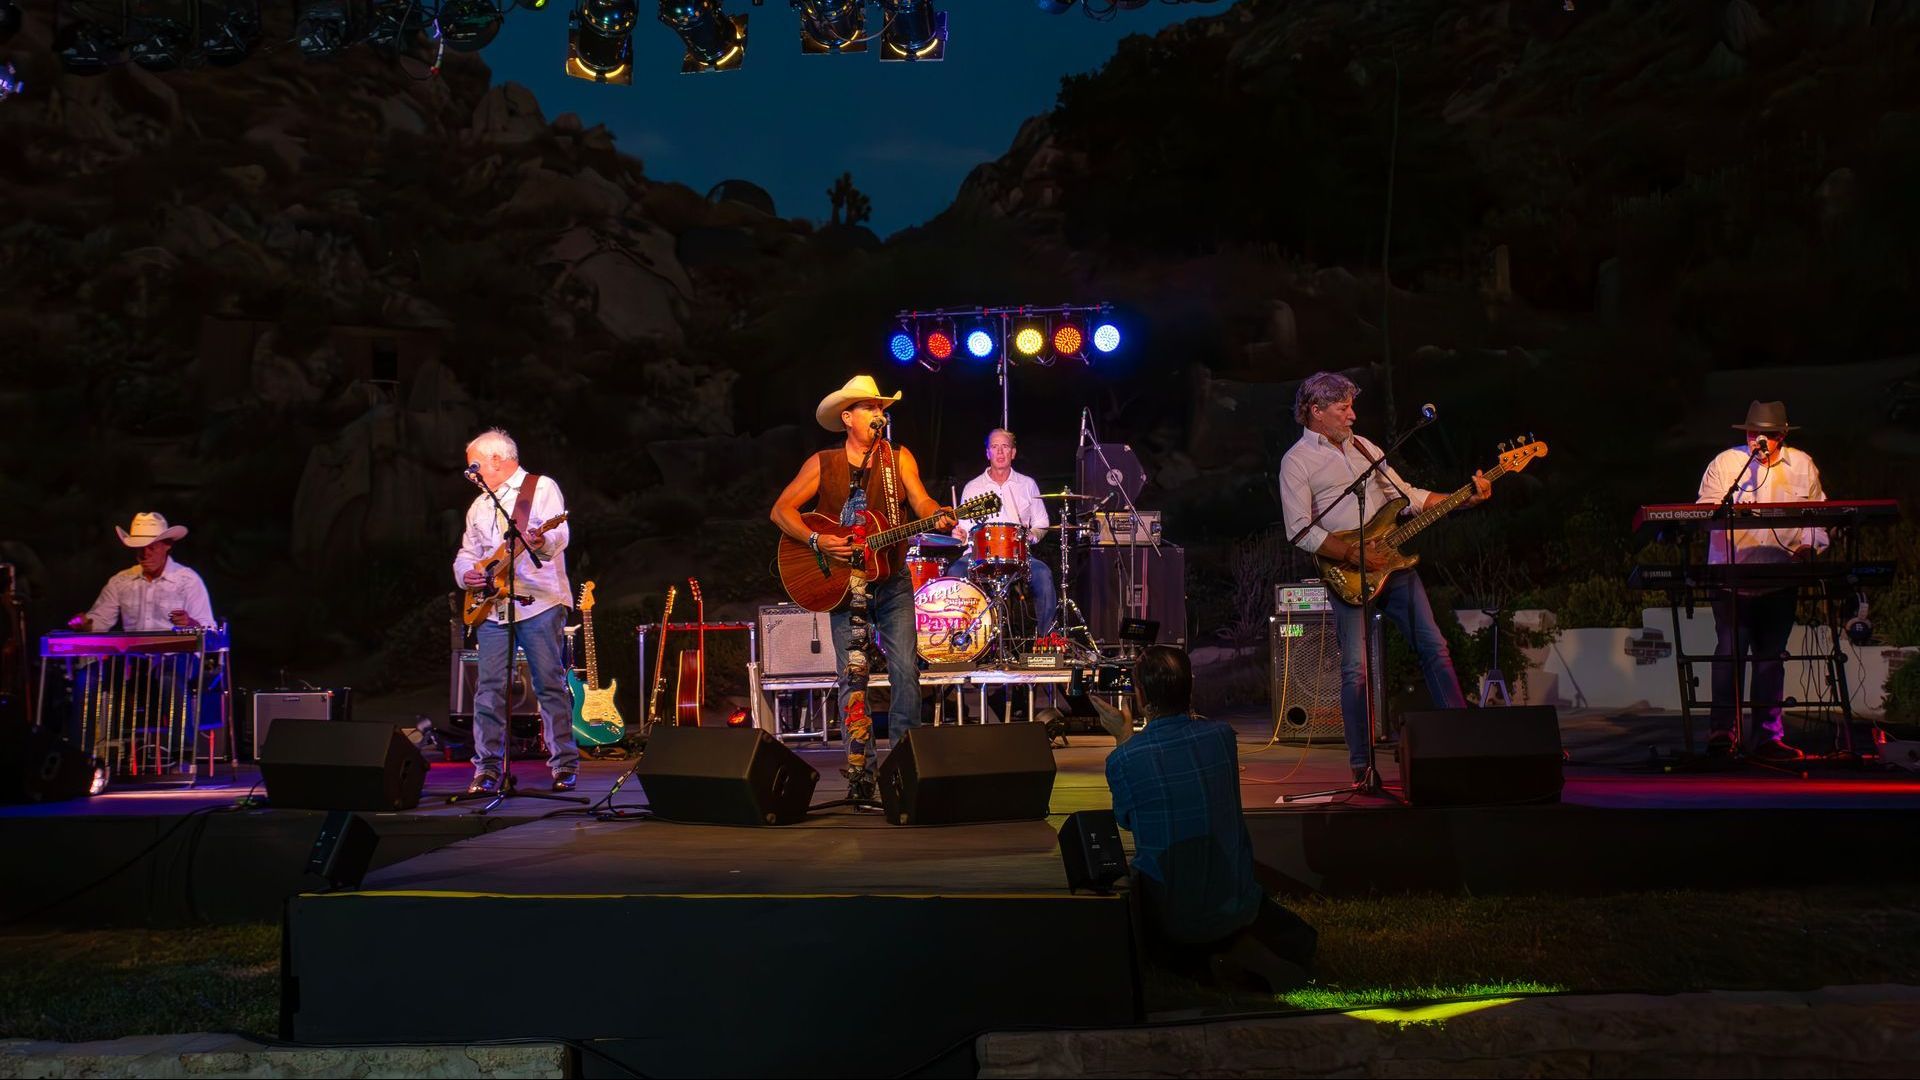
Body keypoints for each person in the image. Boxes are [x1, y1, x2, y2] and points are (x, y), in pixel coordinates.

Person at [1277, 371, 1490, 785]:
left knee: (1435, 648)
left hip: (1393, 564)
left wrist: (1464, 498)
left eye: (1352, 406)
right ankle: (1362, 765)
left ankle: (1465, 742)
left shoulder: (1365, 447)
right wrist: (1353, 553)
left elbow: (1406, 497)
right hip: (1347, 573)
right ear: (1316, 412)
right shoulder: (1296, 461)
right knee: (1355, 670)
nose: (1353, 416)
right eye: (1343, 408)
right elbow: (1300, 530)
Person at [1094, 645, 1317, 990]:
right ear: (1189, 688)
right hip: (1236, 898)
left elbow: (1126, 819)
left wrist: (1123, 739)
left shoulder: (1124, 759)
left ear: (1140, 695)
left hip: (1172, 914)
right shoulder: (1222, 738)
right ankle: (1237, 951)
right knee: (1295, 936)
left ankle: (1204, 959)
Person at [771, 375, 954, 791]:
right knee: (850, 678)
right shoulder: (824, 463)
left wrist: (936, 511)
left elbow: (920, 500)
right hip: (842, 585)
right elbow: (781, 510)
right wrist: (818, 539)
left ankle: (907, 764)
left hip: (892, 582)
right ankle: (862, 771)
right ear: (848, 417)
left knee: (905, 669)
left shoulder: (899, 457)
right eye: (869, 407)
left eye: (880, 407)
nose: (878, 414)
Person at [1695, 401, 1826, 761]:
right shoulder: (1726, 464)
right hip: (1730, 578)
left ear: (1781, 436)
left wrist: (1810, 548)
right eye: (1753, 433)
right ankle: (1723, 733)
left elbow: (1819, 518)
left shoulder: (1802, 465)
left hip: (1779, 578)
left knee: (1770, 659)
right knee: (1729, 655)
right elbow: (1705, 513)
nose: (1758, 439)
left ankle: (1768, 737)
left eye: (1766, 434)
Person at [453, 428, 580, 794]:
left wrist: (542, 540)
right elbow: (467, 552)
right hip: (493, 607)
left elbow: (560, 535)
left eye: (475, 465)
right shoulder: (479, 506)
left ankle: (564, 766)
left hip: (538, 601)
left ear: (497, 459)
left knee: (549, 685)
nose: (472, 473)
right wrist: (468, 574)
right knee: (488, 690)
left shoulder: (540, 489)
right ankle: (488, 769)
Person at [954, 428, 1057, 636]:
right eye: (994, 447)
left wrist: (1033, 534)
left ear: (1013, 452)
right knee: (954, 574)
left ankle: (1045, 643)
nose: (1000, 452)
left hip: (1019, 557)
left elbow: (1042, 521)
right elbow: (964, 529)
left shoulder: (1027, 485)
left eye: (1005, 447)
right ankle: (962, 643)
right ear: (987, 453)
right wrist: (961, 535)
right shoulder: (972, 487)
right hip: (978, 557)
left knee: (1044, 575)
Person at [71, 512, 216, 633]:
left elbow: (209, 630)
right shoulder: (120, 581)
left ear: (168, 545)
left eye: (152, 547)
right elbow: (100, 620)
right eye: (140, 547)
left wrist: (190, 623)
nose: (145, 554)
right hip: (134, 661)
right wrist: (85, 624)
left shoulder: (188, 581)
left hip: (176, 661)